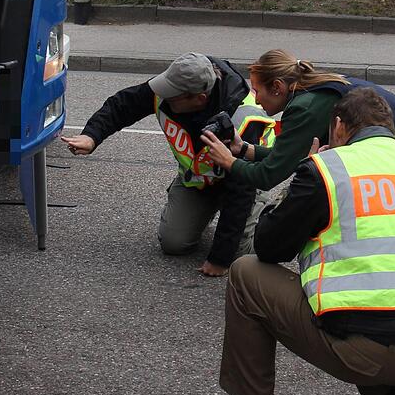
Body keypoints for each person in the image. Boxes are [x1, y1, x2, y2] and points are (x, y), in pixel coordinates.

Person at [208, 88, 395, 395]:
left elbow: (269, 246)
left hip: (363, 350)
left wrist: (303, 178)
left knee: (246, 274)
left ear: (340, 126)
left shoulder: (328, 170)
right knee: (378, 294)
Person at [61, 53, 274, 276]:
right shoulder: (173, 87)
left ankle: (270, 213)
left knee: (239, 258)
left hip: (245, 183)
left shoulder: (242, 119)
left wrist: (220, 259)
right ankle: (206, 211)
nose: (162, 97)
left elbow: (240, 191)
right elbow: (123, 104)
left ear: (199, 98)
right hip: (198, 181)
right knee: (174, 243)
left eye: (171, 96)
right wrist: (91, 136)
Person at [200, 49, 395, 194]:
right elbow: (288, 157)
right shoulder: (312, 87)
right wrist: (245, 150)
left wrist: (229, 161)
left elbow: (268, 176)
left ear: (277, 87)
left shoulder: (304, 108)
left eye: (256, 90)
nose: (255, 98)